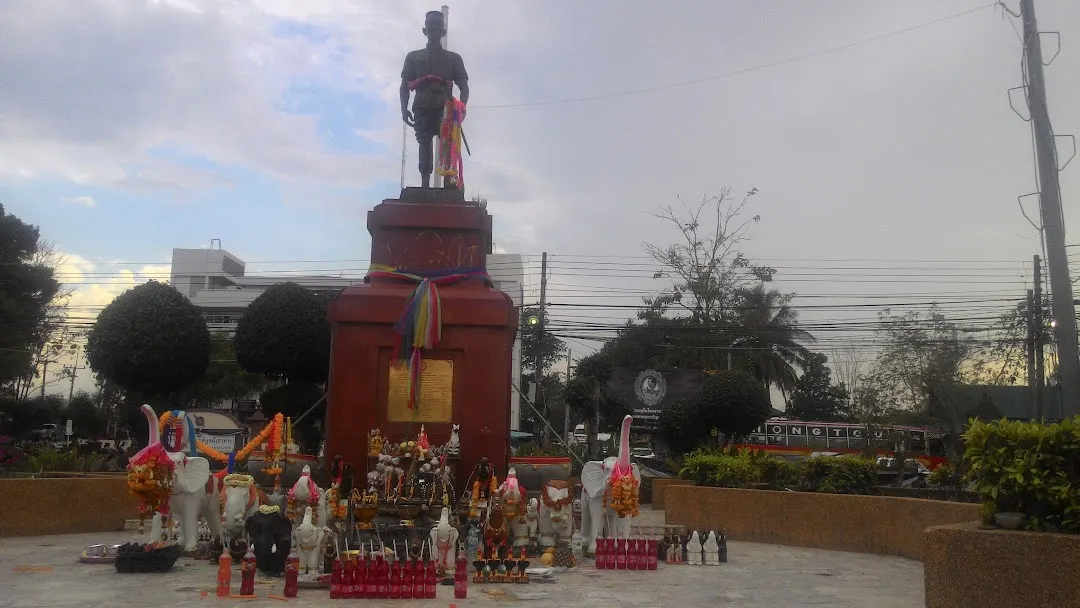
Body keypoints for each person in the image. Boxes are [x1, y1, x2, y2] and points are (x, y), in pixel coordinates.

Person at [400, 10, 469, 188]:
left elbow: (464, 85)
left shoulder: (453, 59)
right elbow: (405, 84)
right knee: (424, 143)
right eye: (430, 25)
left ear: (443, 31)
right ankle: (424, 186)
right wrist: (403, 108)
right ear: (425, 30)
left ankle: (448, 184)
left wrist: (461, 107)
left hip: (446, 108)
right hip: (422, 105)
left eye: (436, 25)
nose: (433, 28)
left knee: (447, 144)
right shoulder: (413, 57)